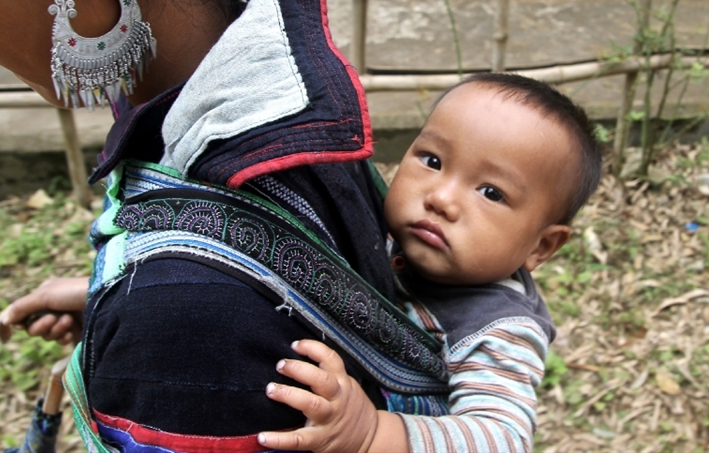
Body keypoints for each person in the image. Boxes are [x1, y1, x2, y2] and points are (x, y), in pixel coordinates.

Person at [0, 0, 447, 450]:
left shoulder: (174, 321)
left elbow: (213, 316)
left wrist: (155, 309)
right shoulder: (286, 89)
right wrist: (113, 294)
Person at [257, 73, 604, 453]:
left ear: (542, 246)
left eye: (490, 192)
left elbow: (502, 439)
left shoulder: (498, 330)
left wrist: (371, 433)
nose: (442, 198)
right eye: (433, 161)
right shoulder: (375, 226)